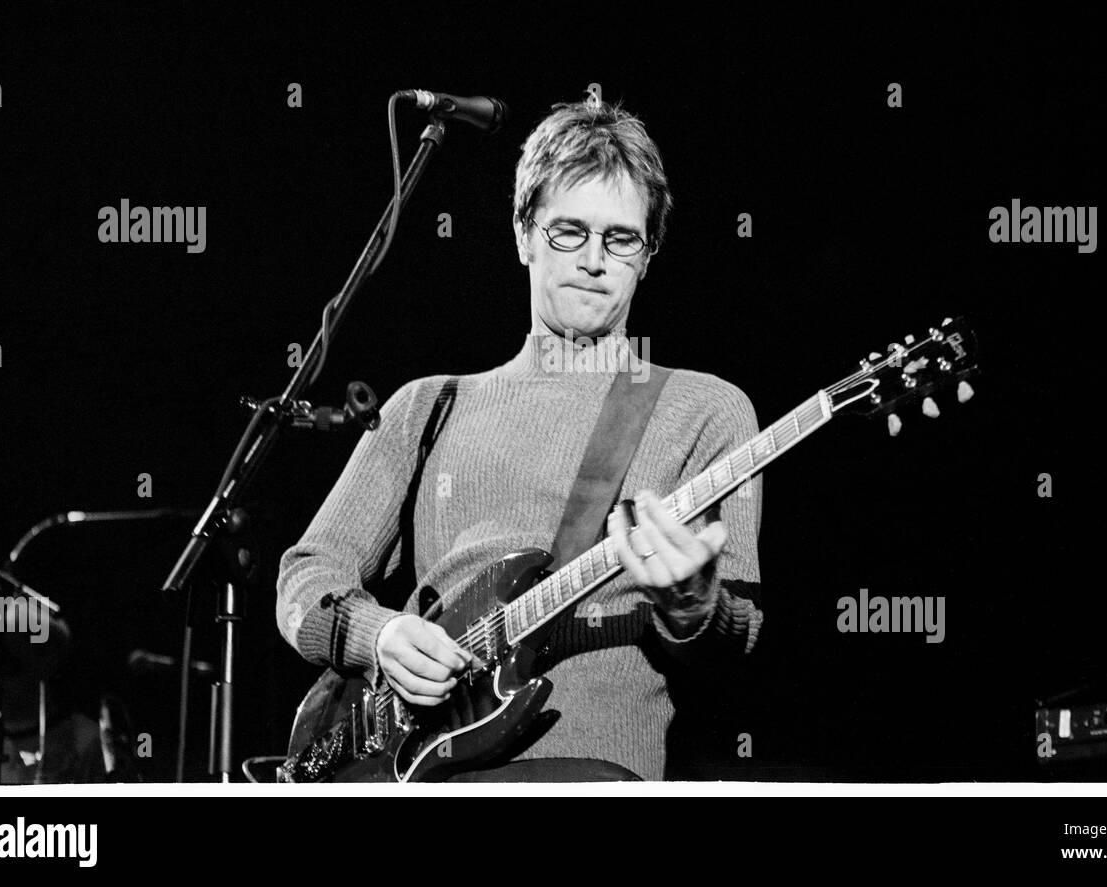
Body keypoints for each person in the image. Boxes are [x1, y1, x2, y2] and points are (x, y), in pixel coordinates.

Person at [276, 99, 762, 781]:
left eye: (620, 239)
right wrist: (379, 635)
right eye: (568, 231)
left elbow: (738, 636)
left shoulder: (703, 410)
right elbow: (303, 579)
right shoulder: (428, 405)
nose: (594, 260)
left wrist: (691, 598)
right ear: (523, 235)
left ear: (647, 256)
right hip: (408, 770)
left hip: (584, 770)